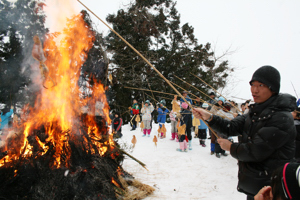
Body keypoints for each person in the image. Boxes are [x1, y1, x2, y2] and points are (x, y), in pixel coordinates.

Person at [193, 66, 297, 199]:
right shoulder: (256, 111)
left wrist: (230, 147)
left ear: (273, 88)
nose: (255, 89)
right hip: (255, 184)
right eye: (252, 84)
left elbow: (256, 151)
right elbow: (231, 127)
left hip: (271, 190)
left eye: (261, 85)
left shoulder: (281, 118)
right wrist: (209, 117)